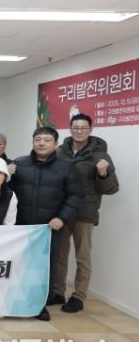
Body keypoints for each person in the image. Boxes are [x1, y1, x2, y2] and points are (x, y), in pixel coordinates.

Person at [11, 126, 84, 321]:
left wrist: (62, 218)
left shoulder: (67, 167)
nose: (41, 143)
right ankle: (15, 301)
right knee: (18, 264)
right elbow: (6, 191)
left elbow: (76, 196)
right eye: (38, 139)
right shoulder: (19, 164)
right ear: (32, 142)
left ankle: (39, 305)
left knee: (45, 267)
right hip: (21, 226)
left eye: (47, 140)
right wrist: (7, 175)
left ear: (56, 144)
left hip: (50, 228)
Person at [51, 114, 119, 313]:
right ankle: (57, 292)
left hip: (85, 212)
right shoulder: (60, 151)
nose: (79, 131)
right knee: (59, 255)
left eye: (83, 128)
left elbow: (112, 188)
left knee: (82, 256)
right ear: (70, 128)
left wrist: (102, 174)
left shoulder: (100, 155)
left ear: (90, 129)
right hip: (62, 212)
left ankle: (79, 296)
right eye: (75, 127)